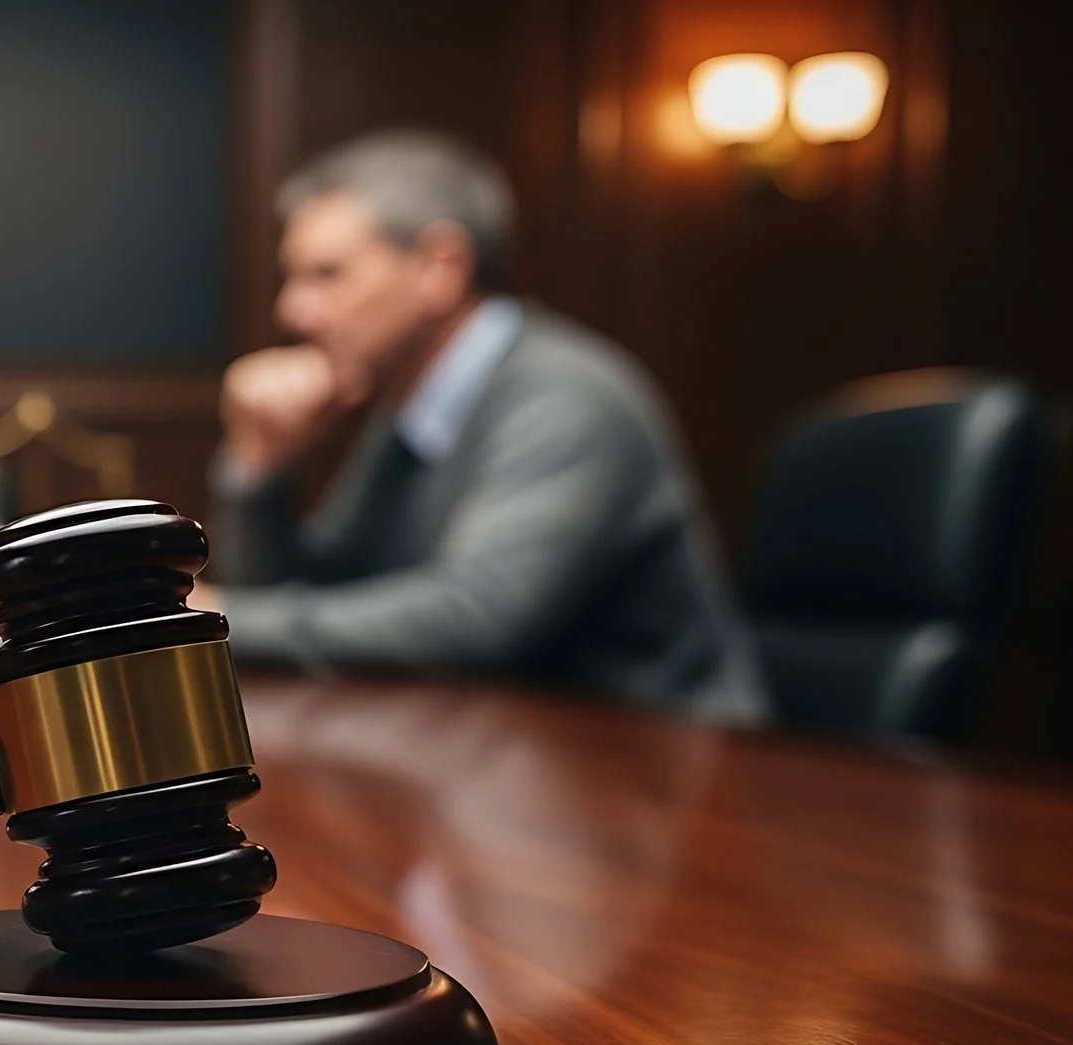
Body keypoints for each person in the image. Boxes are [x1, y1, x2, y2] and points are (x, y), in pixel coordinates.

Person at [207, 130, 767, 723]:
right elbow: (322, 597)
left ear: (441, 267)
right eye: (293, 278)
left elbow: (479, 618)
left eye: (327, 275)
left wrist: (218, 616)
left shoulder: (566, 397)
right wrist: (260, 467)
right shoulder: (412, 402)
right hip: (515, 752)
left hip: (669, 765)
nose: (292, 310)